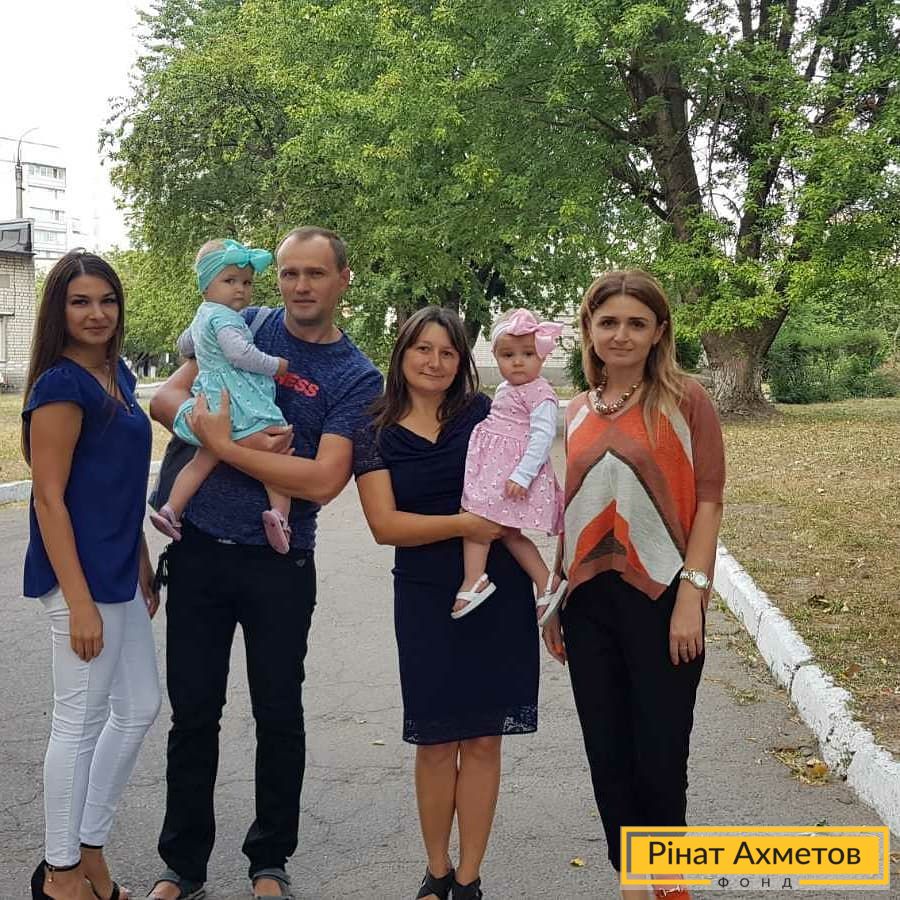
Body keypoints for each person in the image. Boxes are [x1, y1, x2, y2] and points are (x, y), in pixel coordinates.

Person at [146, 227, 382, 900]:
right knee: (194, 714)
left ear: (343, 279)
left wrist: (226, 446)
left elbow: (323, 481)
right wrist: (224, 438)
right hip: (200, 553)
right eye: (288, 272)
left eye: (315, 273)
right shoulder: (241, 321)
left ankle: (269, 860)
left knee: (279, 713)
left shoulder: (357, 376)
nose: (299, 286)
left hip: (281, 565)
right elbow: (166, 399)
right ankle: (183, 865)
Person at [541, 270, 725, 900]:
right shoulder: (574, 411)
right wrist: (556, 596)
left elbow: (709, 499)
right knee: (607, 749)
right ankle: (632, 881)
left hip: (665, 598)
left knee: (661, 747)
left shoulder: (686, 400)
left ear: (658, 332)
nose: (621, 335)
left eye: (636, 324)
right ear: (590, 330)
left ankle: (669, 882)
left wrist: (692, 596)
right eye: (609, 322)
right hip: (588, 600)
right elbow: (573, 506)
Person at [354, 306, 540, 900]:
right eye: (423, 349)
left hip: (495, 590)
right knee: (435, 741)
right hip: (425, 596)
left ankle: (468, 878)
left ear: (462, 362)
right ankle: (436, 872)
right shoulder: (374, 428)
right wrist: (466, 523)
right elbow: (384, 525)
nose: (434, 362)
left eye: (448, 352)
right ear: (402, 354)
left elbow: (526, 477)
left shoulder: (485, 414)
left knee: (484, 739)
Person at [22, 250, 161, 900]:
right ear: (60, 310)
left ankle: (89, 851)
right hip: (78, 578)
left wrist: (140, 557)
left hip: (118, 570)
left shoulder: (117, 375)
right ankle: (60, 875)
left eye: (107, 300)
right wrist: (77, 602)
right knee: (77, 725)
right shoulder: (60, 387)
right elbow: (49, 499)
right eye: (81, 301)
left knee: (138, 707)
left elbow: (116, 484)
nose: (97, 313)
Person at [149, 238, 294, 553]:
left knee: (202, 460)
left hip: (211, 400)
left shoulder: (203, 315)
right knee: (275, 455)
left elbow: (184, 344)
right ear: (205, 285)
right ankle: (279, 515)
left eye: (246, 282)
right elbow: (240, 354)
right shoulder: (227, 318)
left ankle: (172, 509)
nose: (240, 289)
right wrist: (276, 366)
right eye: (229, 281)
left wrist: (205, 349)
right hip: (238, 399)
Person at [452, 308, 566, 623]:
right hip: (494, 471)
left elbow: (542, 437)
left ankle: (475, 579)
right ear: (496, 357)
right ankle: (545, 580)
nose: (517, 362)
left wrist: (523, 475)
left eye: (528, 354)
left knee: (477, 521)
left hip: (512, 474)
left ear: (542, 356)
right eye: (508, 355)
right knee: (505, 532)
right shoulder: (505, 389)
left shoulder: (541, 392)